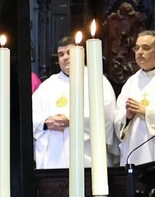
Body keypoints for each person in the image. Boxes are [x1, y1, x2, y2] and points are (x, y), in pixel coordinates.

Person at [32, 35, 118, 171]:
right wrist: (45, 123)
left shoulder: (96, 80)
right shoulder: (48, 85)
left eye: (69, 53)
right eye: (61, 54)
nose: (65, 57)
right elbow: (32, 116)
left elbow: (107, 116)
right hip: (53, 159)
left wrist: (72, 121)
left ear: (81, 54)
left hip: (86, 157)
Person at [116, 31, 155, 166]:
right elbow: (118, 118)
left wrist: (146, 111)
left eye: (146, 48)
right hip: (134, 148)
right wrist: (127, 116)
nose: (139, 52)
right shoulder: (131, 82)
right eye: (137, 48)